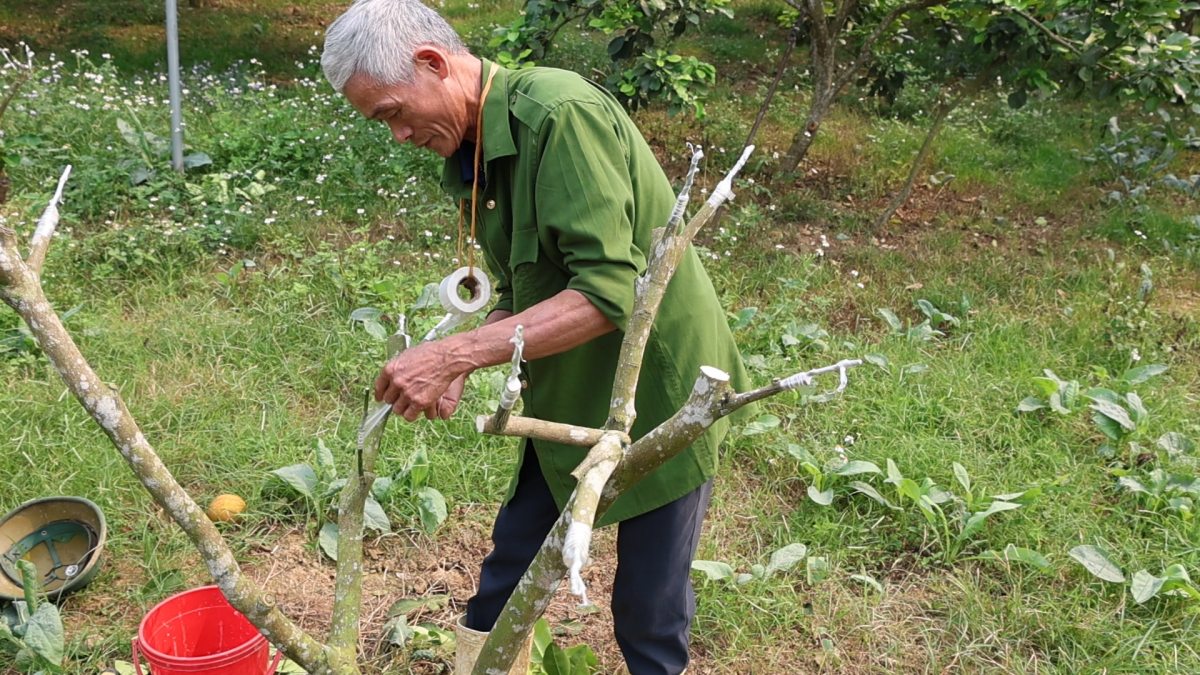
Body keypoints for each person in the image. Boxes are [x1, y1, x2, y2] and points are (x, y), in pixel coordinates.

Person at [321, 2, 752, 673]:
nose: (398, 134)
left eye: (393, 112)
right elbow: (528, 288)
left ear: (432, 64)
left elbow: (609, 292)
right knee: (506, 578)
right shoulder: (477, 150)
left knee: (647, 605)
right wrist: (463, 363)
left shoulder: (558, 116)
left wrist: (454, 351)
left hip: (660, 386)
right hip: (570, 382)